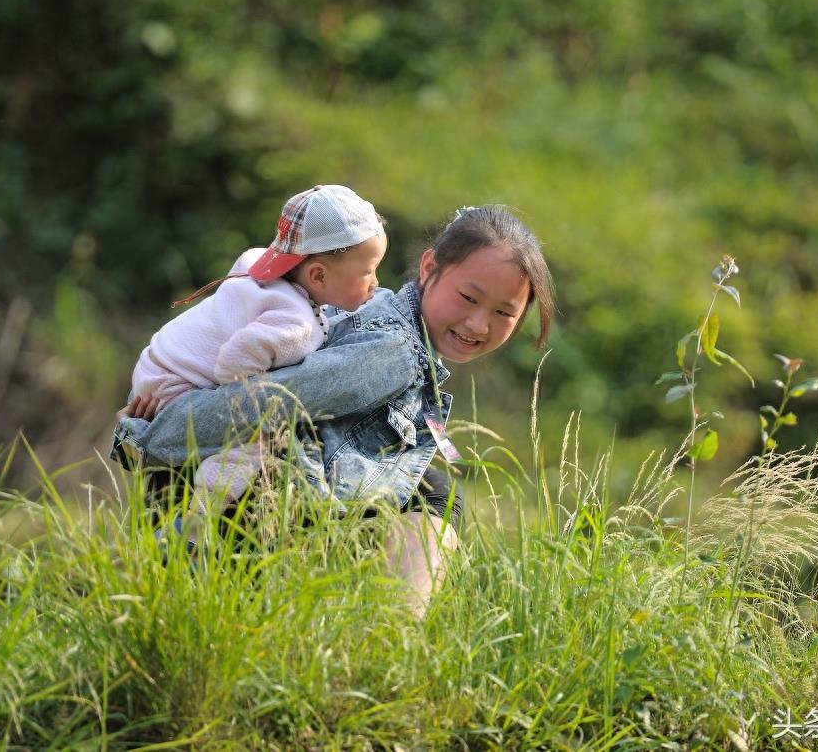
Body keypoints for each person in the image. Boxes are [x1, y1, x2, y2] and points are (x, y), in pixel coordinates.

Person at [114, 205, 556, 617]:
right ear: (428, 268)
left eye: (504, 312)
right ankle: (395, 637)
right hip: (218, 502)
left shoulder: (377, 310)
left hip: (232, 491)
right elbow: (271, 402)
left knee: (431, 487)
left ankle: (387, 631)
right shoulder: (394, 352)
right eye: (468, 297)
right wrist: (151, 435)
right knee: (436, 495)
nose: (479, 324)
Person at [128, 183, 386, 529]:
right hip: (176, 384)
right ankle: (198, 518)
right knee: (255, 440)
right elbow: (234, 363)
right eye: (367, 272)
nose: (375, 282)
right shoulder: (295, 325)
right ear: (318, 275)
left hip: (157, 363)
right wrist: (258, 410)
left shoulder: (257, 268)